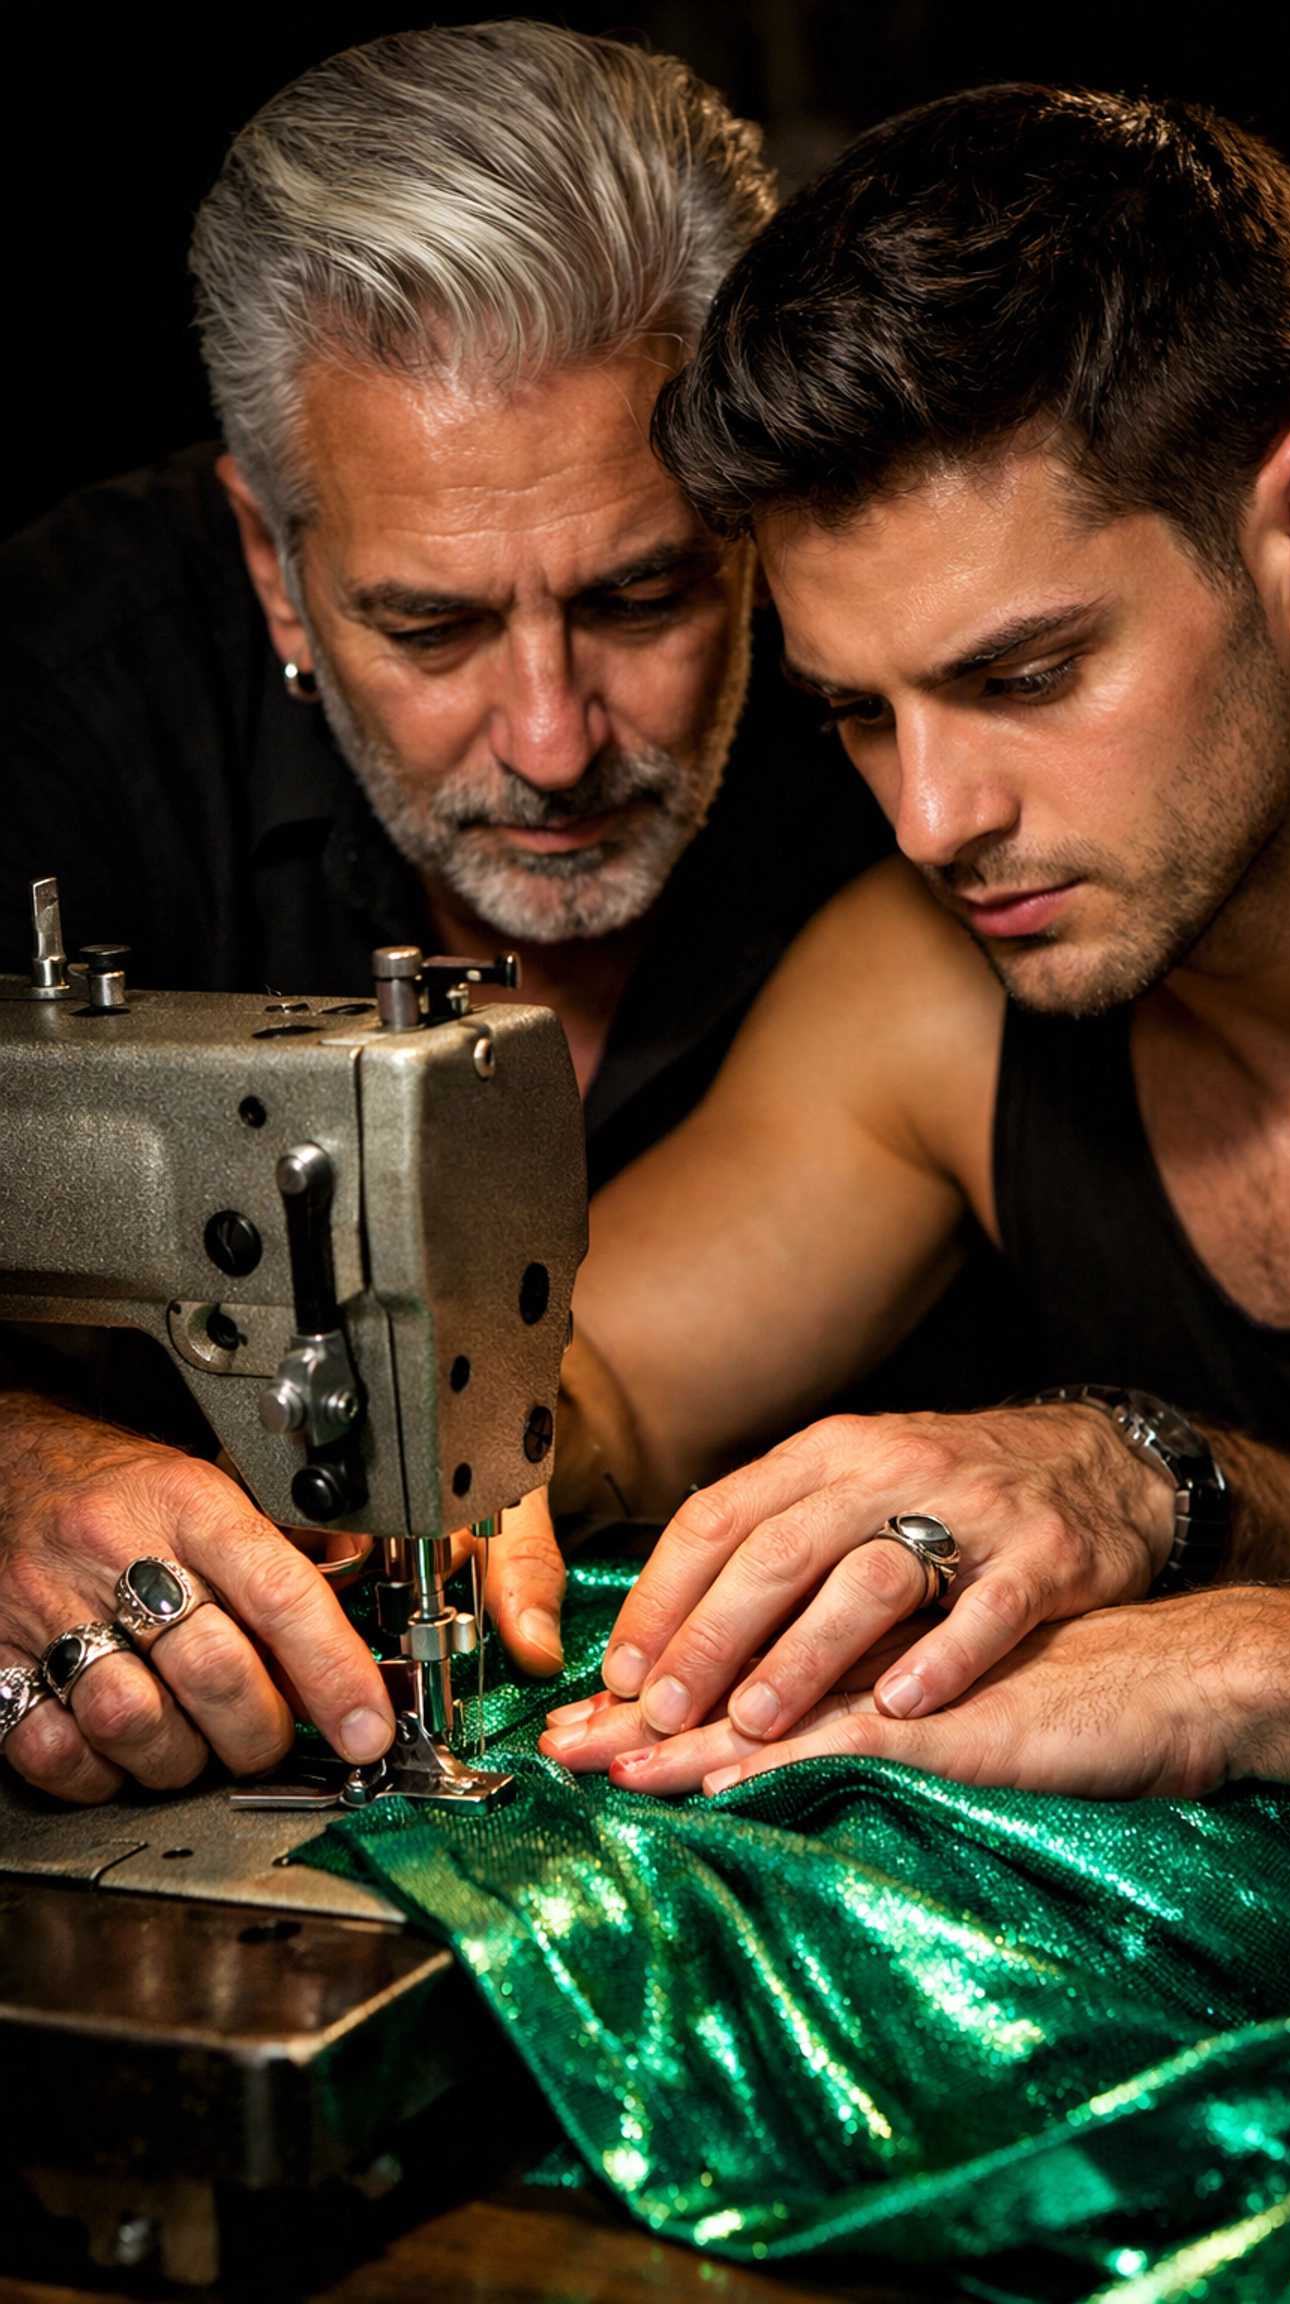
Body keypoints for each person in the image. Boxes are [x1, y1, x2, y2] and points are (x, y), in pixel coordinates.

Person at [513, 85, 1290, 1845]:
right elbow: (571, 1388)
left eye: (1027, 677)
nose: (931, 817)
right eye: (856, 712)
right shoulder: (925, 994)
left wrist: (1215, 1670)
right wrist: (418, 1508)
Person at [0, 21, 926, 1807]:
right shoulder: (64, 698)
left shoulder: (922, 745)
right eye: (428, 629)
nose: (557, 739)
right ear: (275, 564)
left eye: (645, 593)